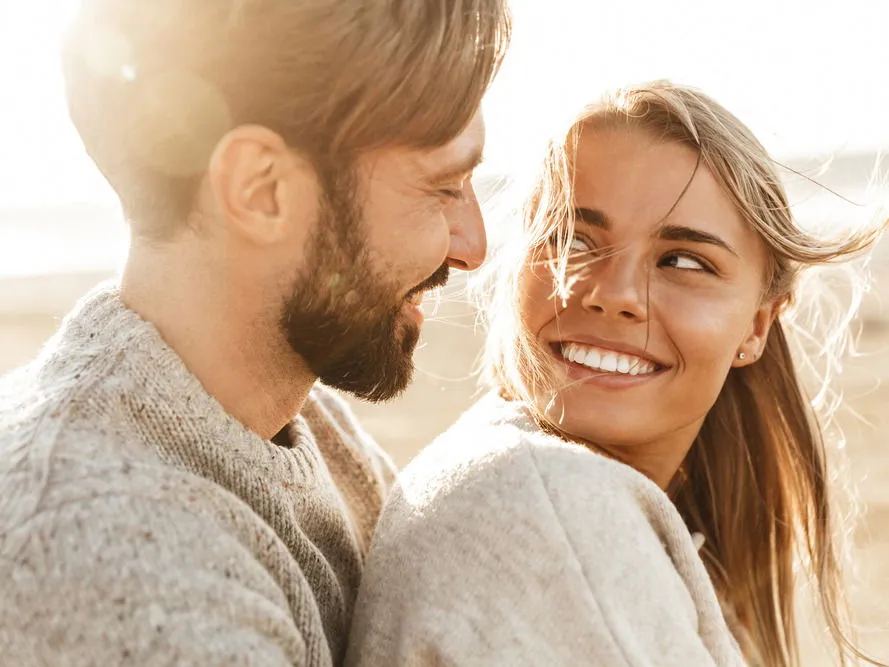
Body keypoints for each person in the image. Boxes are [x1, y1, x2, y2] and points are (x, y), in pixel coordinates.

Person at [0, 1, 510, 665]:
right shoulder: (113, 559)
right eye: (443, 187)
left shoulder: (298, 418)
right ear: (261, 188)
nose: (474, 245)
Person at [346, 82, 888, 667]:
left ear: (756, 327)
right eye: (572, 240)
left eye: (683, 261)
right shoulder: (552, 505)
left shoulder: (542, 482)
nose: (615, 295)